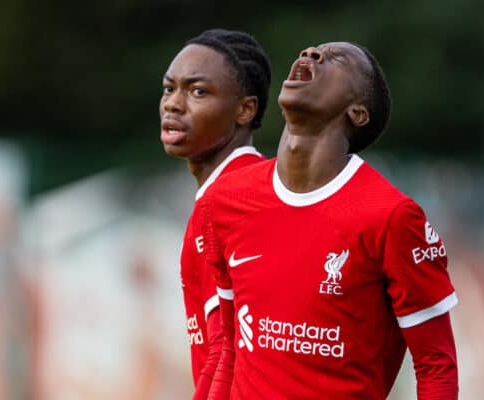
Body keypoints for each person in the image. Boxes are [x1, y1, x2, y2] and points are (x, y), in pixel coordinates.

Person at [201, 42, 458, 399]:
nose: (311, 53)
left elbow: (436, 367)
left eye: (338, 58)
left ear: (358, 112)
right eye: (312, 50)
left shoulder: (392, 217)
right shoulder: (225, 200)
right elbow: (228, 348)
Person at [159, 29, 271, 399]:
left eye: (198, 91)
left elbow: (229, 350)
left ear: (245, 109)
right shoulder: (251, 188)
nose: (173, 104)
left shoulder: (231, 202)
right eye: (168, 88)